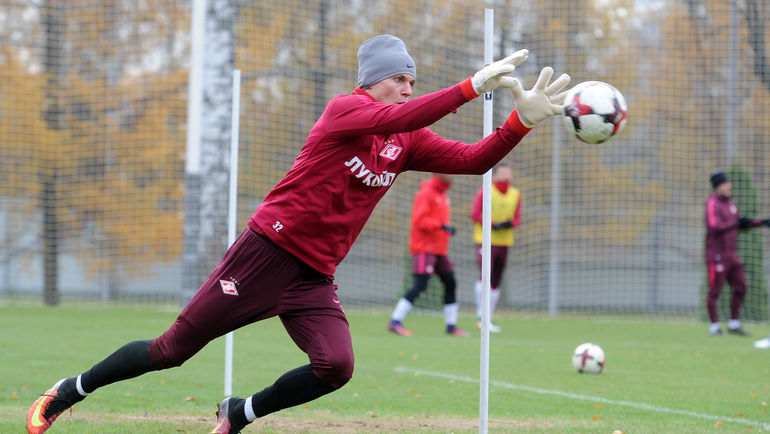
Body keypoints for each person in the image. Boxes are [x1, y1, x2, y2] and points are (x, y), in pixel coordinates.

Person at [26, 34, 570, 434]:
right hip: (264, 255)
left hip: (314, 277)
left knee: (337, 367)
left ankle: (240, 413)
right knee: (171, 351)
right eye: (399, 78)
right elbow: (399, 121)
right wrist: (471, 87)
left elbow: (475, 162)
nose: (408, 87)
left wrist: (518, 123)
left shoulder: (403, 138)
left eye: (412, 80)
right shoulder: (346, 111)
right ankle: (67, 392)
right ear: (370, 81)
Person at [388, 173, 469, 337]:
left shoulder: (443, 195)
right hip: (424, 247)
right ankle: (395, 321)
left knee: (450, 282)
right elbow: (419, 220)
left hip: (439, 249)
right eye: (448, 172)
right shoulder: (426, 193)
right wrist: (442, 226)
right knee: (421, 284)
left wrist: (444, 228)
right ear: (439, 173)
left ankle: (451, 325)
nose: (452, 175)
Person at [704, 171, 770, 337]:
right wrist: (734, 222)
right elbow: (714, 226)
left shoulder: (730, 203)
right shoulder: (712, 203)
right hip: (716, 255)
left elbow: (739, 224)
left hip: (732, 255)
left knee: (741, 287)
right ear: (718, 186)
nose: (729, 186)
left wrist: (760, 222)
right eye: (726, 184)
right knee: (714, 291)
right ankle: (714, 327)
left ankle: (734, 324)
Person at [470, 162, 520, 333]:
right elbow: (475, 214)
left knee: (496, 280)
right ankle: (480, 316)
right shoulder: (486, 191)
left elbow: (517, 218)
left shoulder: (515, 194)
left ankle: (488, 318)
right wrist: (492, 224)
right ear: (495, 174)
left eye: (509, 172)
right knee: (485, 276)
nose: (507, 175)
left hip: (505, 242)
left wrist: (509, 224)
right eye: (503, 172)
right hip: (485, 240)